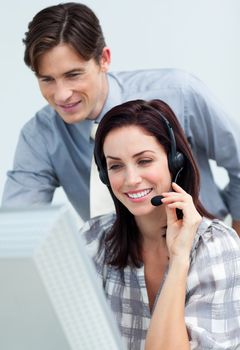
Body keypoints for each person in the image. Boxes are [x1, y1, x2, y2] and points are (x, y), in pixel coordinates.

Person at [2, 3, 240, 235]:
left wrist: (232, 248)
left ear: (104, 59)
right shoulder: (40, 135)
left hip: (203, 249)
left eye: (73, 75)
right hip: (116, 265)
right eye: (47, 80)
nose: (61, 94)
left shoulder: (179, 94)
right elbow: (18, 227)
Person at [80, 99, 240, 350]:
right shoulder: (92, 240)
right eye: (116, 165)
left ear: (175, 161)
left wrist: (179, 260)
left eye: (144, 161)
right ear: (104, 174)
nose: (131, 179)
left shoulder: (218, 247)